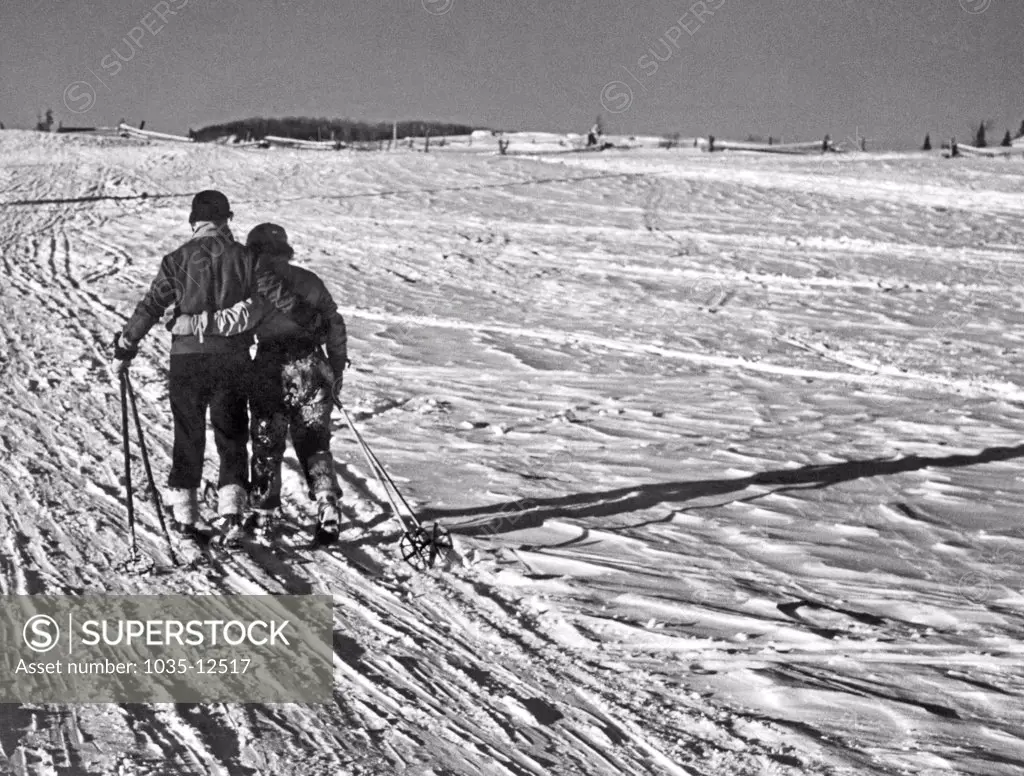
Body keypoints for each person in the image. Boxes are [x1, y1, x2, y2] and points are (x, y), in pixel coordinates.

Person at [112, 191, 319, 539]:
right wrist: (310, 320)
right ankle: (232, 515)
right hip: (233, 359)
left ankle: (187, 517)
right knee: (232, 435)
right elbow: (277, 295)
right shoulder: (245, 258)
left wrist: (126, 344)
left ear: (194, 221)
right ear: (226, 220)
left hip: (187, 360)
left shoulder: (176, 260)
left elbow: (151, 306)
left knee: (188, 435)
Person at [172, 223, 351, 545]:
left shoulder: (255, 283)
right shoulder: (310, 280)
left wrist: (195, 326)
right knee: (314, 442)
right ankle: (327, 506)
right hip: (313, 364)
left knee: (268, 445)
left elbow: (241, 322)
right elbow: (335, 324)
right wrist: (335, 371)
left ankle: (265, 513)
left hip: (272, 367)